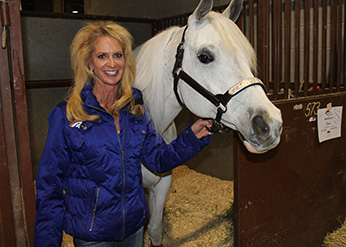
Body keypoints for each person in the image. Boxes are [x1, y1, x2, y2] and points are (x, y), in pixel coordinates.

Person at [34, 21, 213, 247]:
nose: (112, 63)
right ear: (89, 62)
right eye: (102, 56)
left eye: (118, 55)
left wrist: (191, 138)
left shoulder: (135, 109)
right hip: (93, 236)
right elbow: (49, 188)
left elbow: (158, 160)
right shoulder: (67, 116)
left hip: (133, 228)